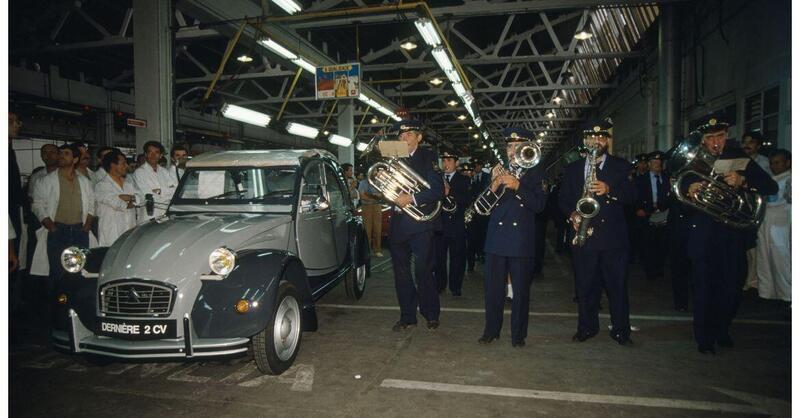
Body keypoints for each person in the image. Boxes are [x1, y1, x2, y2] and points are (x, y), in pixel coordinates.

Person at [678, 116, 777, 354]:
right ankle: (704, 338)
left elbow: (770, 187)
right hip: (703, 238)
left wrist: (743, 181)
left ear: (727, 134)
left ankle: (722, 330)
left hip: (733, 236)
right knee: (704, 290)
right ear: (702, 140)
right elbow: (680, 202)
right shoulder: (693, 163)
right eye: (710, 138)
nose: (715, 143)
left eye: (719, 137)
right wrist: (690, 190)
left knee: (731, 290)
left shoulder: (740, 159)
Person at [559, 120, 636, 346]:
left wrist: (610, 190)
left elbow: (633, 196)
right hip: (584, 237)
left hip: (613, 239)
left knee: (617, 287)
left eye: (601, 137)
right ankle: (587, 327)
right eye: (592, 138)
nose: (597, 141)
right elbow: (562, 200)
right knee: (585, 286)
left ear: (607, 140)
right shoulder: (572, 169)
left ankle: (621, 330)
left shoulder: (621, 166)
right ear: (585, 141)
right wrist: (572, 214)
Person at [478, 128, 546, 347]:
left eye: (517, 146)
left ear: (526, 148)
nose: (513, 150)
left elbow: (539, 206)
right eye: (509, 146)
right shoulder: (497, 171)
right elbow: (481, 208)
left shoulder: (535, 173)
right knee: (493, 290)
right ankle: (491, 331)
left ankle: (518, 335)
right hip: (496, 239)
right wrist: (494, 185)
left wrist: (518, 186)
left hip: (520, 241)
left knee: (520, 292)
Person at [386, 120, 444, 331]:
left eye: (408, 135)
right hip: (399, 224)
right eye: (401, 135)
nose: (403, 138)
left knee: (424, 270)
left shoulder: (429, 157)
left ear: (419, 138)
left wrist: (411, 198)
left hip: (421, 223)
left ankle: (431, 313)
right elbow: (385, 186)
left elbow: (437, 191)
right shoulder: (392, 158)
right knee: (401, 273)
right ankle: (407, 315)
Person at [31, 143, 96, 285]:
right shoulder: (46, 181)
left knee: (79, 270)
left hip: (80, 231)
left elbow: (92, 203)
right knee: (57, 272)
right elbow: (37, 204)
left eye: (66, 153)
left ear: (75, 160)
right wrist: (50, 225)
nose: (61, 156)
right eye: (60, 153)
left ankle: (75, 304)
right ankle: (58, 304)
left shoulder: (84, 181)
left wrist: (88, 224)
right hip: (58, 231)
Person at [434, 149, 470, 296]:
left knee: (458, 258)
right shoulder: (436, 178)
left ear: (456, 163)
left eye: (449, 161)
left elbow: (467, 200)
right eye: (444, 160)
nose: (446, 163)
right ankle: (440, 285)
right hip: (439, 225)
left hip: (456, 225)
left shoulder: (464, 180)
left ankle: (455, 286)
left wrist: (450, 193)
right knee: (438, 258)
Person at [756, 149, 791, 302]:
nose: (774, 166)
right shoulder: (771, 180)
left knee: (782, 263)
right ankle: (768, 293)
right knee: (765, 260)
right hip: (766, 225)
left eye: (778, 162)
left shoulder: (791, 179)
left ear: (788, 163)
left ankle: (788, 296)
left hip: (781, 227)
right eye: (772, 163)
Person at [740, 131, 770, 291]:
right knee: (747, 249)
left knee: (757, 247)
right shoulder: (739, 161)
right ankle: (750, 278)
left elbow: (767, 185)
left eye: (751, 142)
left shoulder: (764, 162)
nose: (747, 145)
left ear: (758, 145)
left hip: (759, 209)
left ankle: (755, 281)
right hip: (743, 209)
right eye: (745, 141)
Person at [634, 151, 670, 280]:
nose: (657, 165)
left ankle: (659, 269)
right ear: (649, 164)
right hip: (646, 215)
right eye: (654, 163)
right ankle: (650, 271)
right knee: (648, 244)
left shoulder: (666, 178)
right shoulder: (640, 180)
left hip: (664, 215)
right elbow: (634, 197)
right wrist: (638, 209)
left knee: (662, 244)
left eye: (659, 163)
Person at [95, 149, 140, 247]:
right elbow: (118, 204)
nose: (126, 166)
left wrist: (127, 197)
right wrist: (130, 199)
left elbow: (140, 198)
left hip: (129, 230)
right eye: (123, 164)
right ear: (113, 165)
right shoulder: (102, 186)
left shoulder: (129, 184)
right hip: (112, 233)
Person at [131, 141, 178, 221]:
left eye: (156, 152)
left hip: (165, 214)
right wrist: (167, 193)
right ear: (145, 154)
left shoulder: (164, 171)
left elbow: (175, 191)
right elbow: (148, 197)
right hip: (148, 216)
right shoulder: (139, 172)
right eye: (150, 152)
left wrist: (160, 191)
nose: (153, 155)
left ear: (160, 155)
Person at [467, 158, 489, 272]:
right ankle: (471, 261)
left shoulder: (487, 177)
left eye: (477, 165)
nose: (475, 168)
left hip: (484, 212)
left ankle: (482, 254)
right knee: (472, 237)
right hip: (473, 213)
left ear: (481, 166)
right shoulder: (470, 177)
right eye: (474, 166)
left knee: (483, 234)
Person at [358, 167, 384, 257]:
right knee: (367, 229)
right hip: (366, 207)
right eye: (374, 171)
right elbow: (362, 196)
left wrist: (374, 196)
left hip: (377, 206)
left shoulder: (378, 182)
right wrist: (374, 197)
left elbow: (382, 195)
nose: (375, 172)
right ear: (368, 172)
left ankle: (377, 250)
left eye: (376, 171)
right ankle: (367, 250)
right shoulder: (363, 183)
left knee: (378, 228)